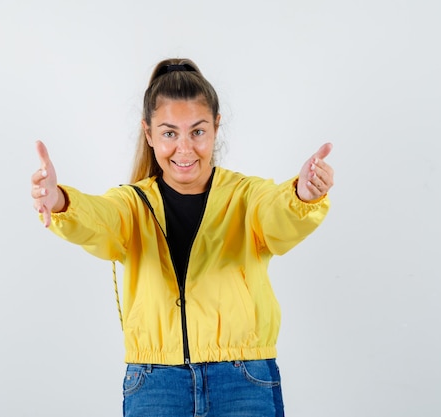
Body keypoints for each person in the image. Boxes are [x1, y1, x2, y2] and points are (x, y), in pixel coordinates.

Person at [30, 58, 334, 417]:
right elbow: (99, 218)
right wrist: (60, 200)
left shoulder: (246, 195)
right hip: (156, 383)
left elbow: (277, 216)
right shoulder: (132, 204)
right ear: (149, 134)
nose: (185, 149)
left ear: (216, 128)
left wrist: (302, 194)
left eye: (198, 131)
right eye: (170, 133)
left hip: (244, 378)